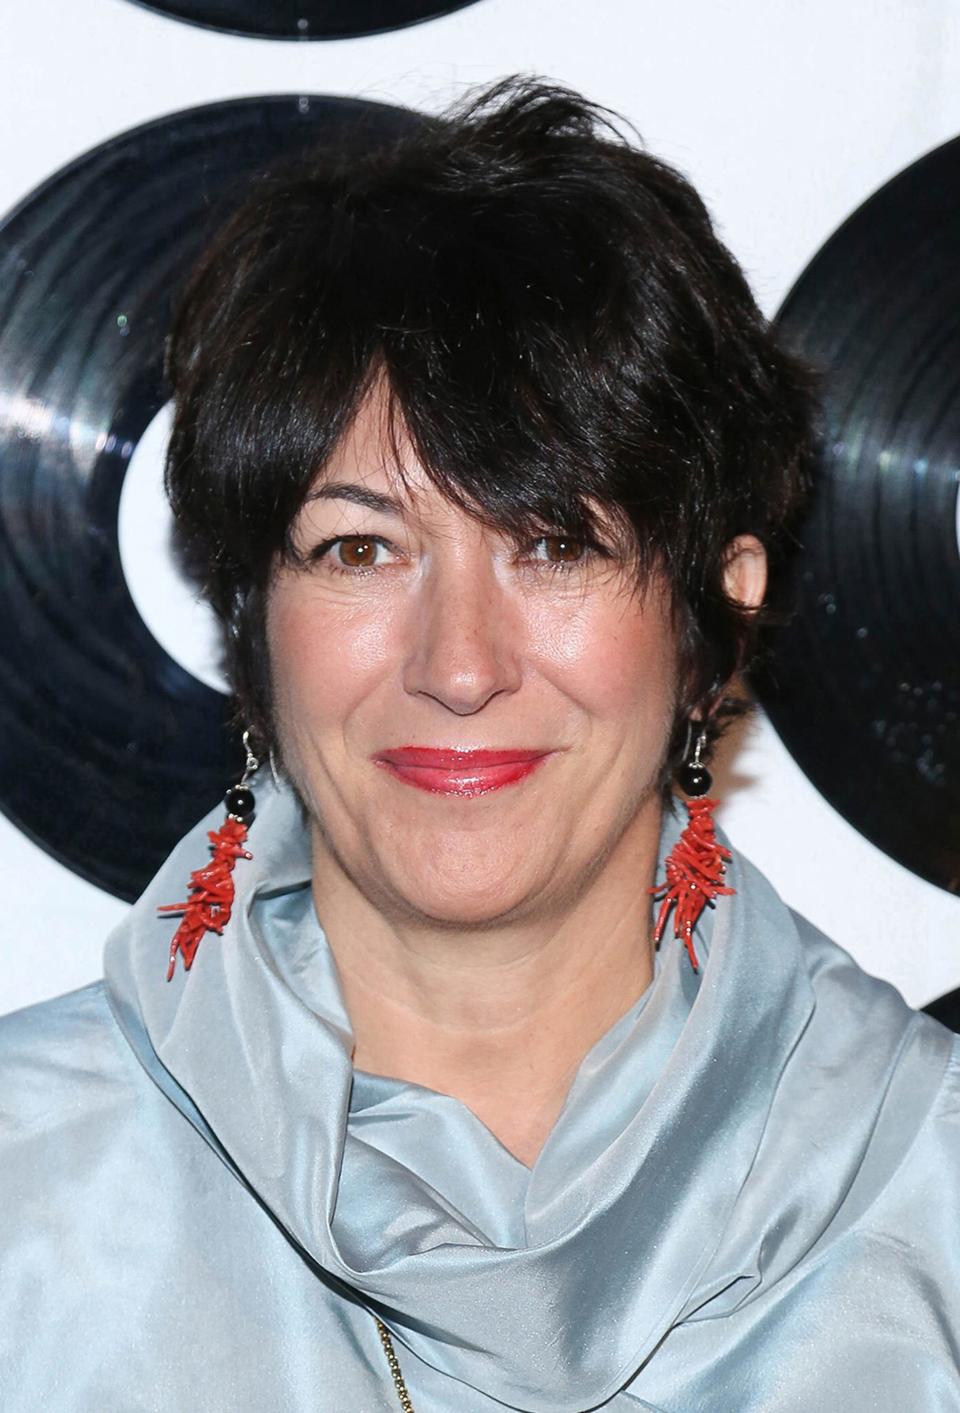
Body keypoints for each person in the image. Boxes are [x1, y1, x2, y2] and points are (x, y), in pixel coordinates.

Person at [1, 76, 958, 1412]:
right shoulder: (29, 1191)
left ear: (716, 611)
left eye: (554, 542)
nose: (459, 664)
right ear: (253, 622)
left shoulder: (929, 1179)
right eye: (360, 548)